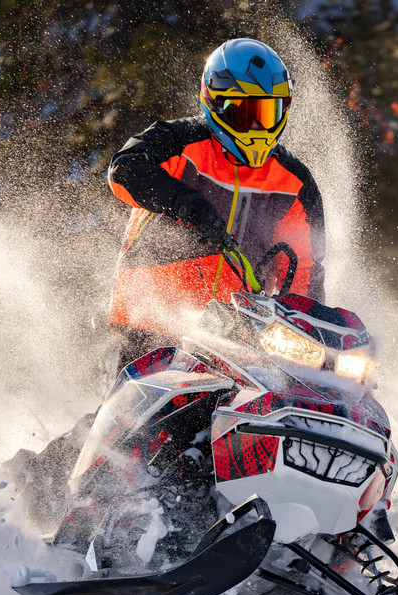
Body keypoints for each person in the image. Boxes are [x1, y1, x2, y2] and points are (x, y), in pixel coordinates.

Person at [105, 38, 326, 371]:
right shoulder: (178, 141)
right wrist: (186, 203)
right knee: (136, 418)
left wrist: (305, 333)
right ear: (216, 104)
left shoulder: (293, 180)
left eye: (267, 112)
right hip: (151, 317)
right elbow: (124, 170)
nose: (256, 125)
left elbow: (305, 268)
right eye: (243, 112)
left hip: (235, 332)